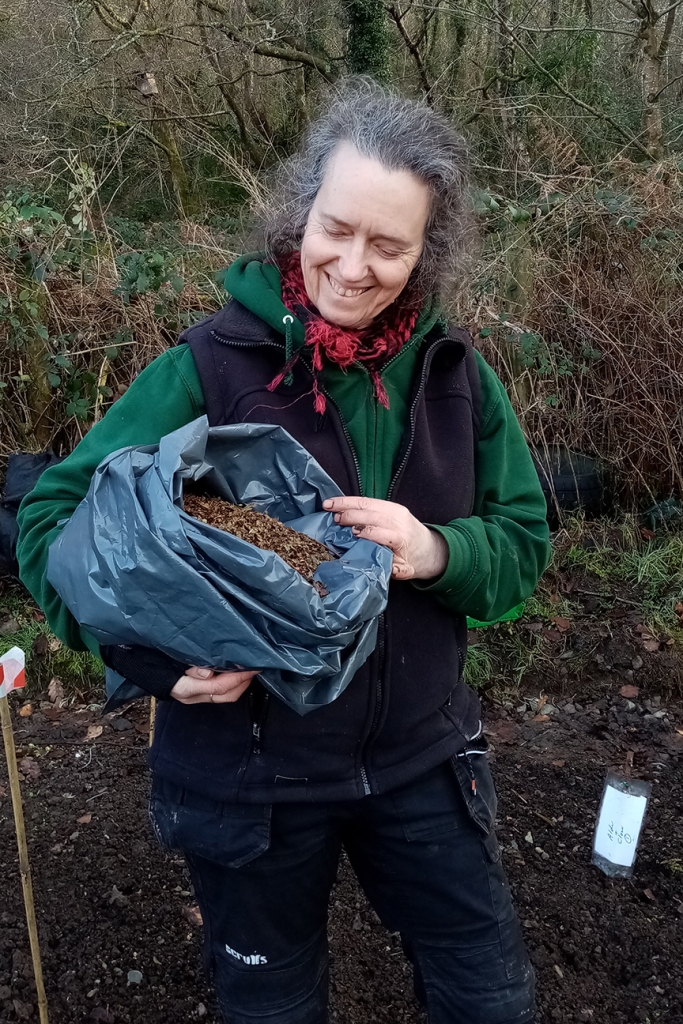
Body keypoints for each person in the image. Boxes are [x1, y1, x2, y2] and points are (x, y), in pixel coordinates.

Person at [17, 78, 550, 1024]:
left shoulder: (456, 378)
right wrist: (151, 659)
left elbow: (520, 541)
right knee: (272, 1002)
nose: (352, 266)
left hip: (421, 756)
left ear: (429, 251)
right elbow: (55, 518)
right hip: (248, 775)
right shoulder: (208, 368)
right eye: (336, 228)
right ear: (300, 210)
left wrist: (436, 550)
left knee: (488, 997)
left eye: (389, 245)